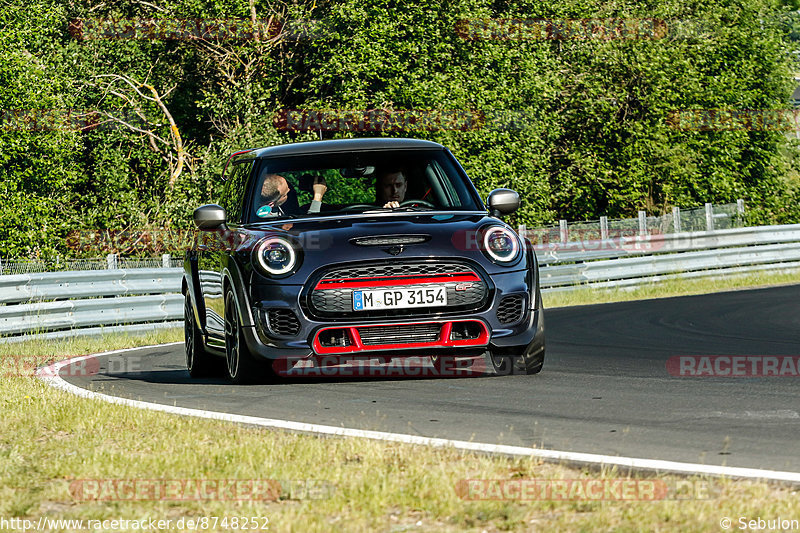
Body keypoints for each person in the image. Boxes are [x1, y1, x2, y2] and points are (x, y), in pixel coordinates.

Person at [258, 173, 327, 217]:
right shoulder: (268, 220)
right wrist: (318, 196)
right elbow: (310, 226)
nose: (290, 190)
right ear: (271, 205)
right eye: (286, 194)